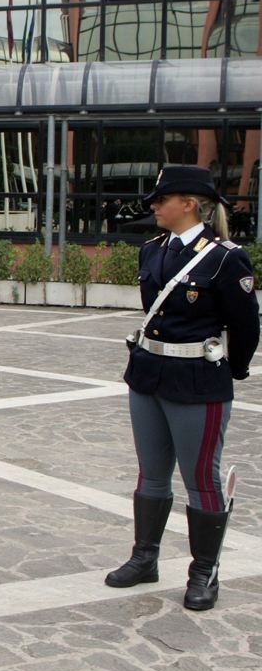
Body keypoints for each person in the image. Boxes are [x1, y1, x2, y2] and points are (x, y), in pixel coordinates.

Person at [106, 165, 258, 611]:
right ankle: (144, 558)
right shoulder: (151, 250)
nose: (153, 206)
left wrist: (234, 371)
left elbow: (246, 326)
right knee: (151, 473)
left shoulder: (227, 258)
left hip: (197, 380)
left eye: (161, 199)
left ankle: (203, 571)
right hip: (149, 374)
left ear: (188, 203)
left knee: (200, 477)